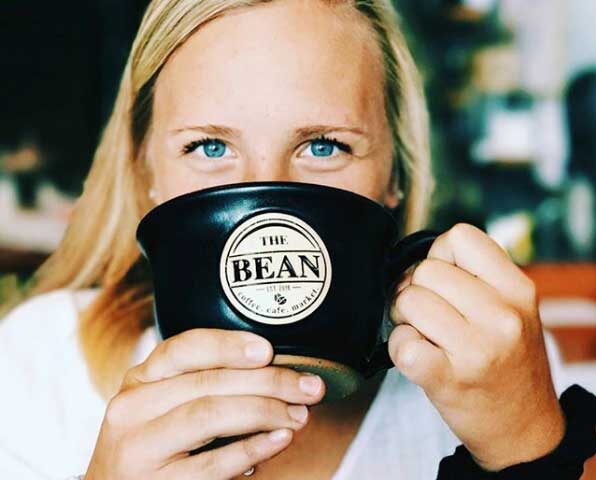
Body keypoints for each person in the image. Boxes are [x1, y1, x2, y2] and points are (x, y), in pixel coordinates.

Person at [0, 0, 594, 479]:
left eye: (324, 146)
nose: (269, 193)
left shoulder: (497, 373)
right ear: (145, 172)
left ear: (395, 177)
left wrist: (529, 452)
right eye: (210, 147)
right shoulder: (39, 366)